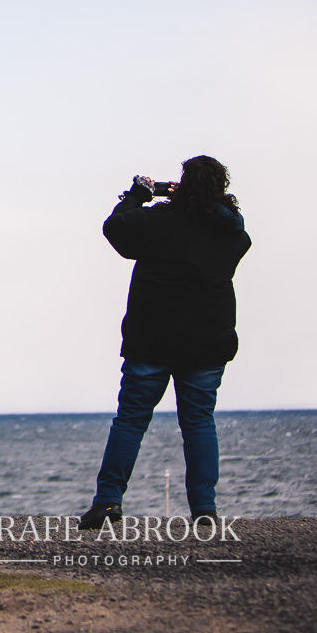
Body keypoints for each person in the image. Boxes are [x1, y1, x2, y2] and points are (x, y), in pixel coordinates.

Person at [79, 156, 251, 530]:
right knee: (199, 422)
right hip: (207, 343)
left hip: (151, 339)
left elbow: (116, 229)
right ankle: (204, 508)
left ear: (184, 184)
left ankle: (108, 502)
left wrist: (138, 195)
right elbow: (229, 233)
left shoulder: (160, 221)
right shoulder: (232, 233)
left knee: (131, 421)